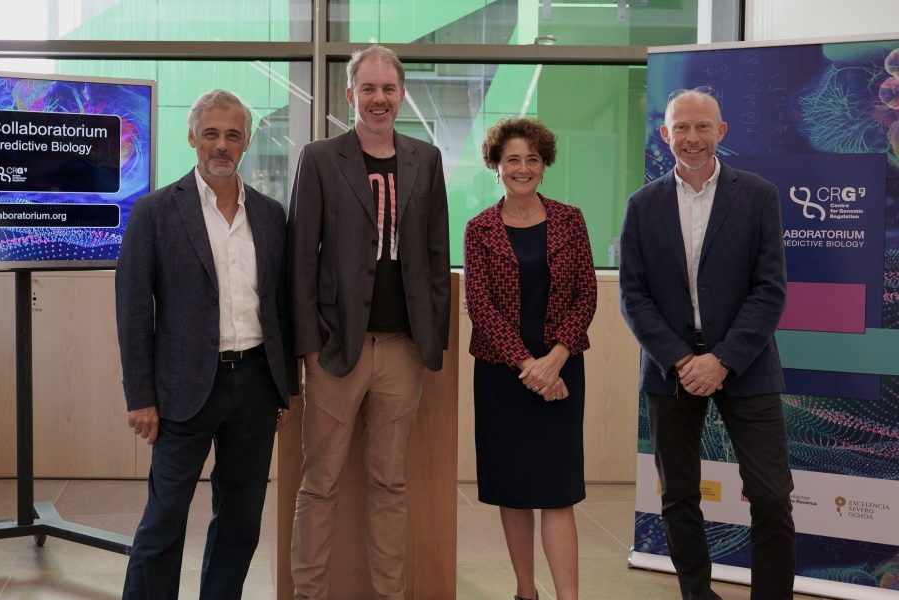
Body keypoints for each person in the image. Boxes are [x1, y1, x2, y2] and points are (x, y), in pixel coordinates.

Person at [115, 89, 296, 600]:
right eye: (211, 133)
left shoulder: (270, 214)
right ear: (192, 137)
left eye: (232, 135)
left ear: (247, 142)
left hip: (257, 385)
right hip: (182, 389)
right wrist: (140, 396)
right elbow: (132, 312)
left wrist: (285, 386)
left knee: (241, 520)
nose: (221, 145)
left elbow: (279, 305)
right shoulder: (154, 212)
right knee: (164, 520)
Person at [287, 45, 450, 600]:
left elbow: (434, 254)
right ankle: (308, 594)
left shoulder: (425, 159)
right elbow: (300, 258)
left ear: (401, 94)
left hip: (403, 349)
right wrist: (308, 347)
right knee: (320, 484)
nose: (379, 99)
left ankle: (390, 595)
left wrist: (434, 340)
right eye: (369, 89)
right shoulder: (319, 157)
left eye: (389, 89)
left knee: (390, 483)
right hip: (335, 350)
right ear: (349, 94)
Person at [619, 88, 795, 600]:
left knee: (770, 495)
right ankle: (697, 594)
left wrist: (722, 359)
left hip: (746, 364)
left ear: (721, 132)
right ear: (665, 134)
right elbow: (633, 293)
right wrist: (679, 358)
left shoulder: (759, 195)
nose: (691, 138)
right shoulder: (643, 204)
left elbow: (770, 289)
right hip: (669, 369)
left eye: (702, 127)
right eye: (681, 128)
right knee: (677, 496)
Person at [463, 118, 596, 600]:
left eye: (532, 159)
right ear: (496, 167)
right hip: (503, 376)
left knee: (559, 492)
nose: (523, 168)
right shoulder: (478, 229)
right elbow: (480, 306)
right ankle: (526, 591)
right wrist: (528, 366)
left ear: (545, 165)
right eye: (512, 159)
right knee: (514, 490)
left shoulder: (570, 219)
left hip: (562, 371)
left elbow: (586, 296)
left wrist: (555, 359)